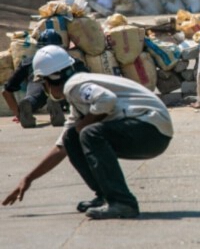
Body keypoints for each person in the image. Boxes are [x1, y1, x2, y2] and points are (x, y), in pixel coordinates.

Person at [2, 46, 173, 219]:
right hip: (152, 131)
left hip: (151, 129)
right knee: (72, 137)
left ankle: (122, 202)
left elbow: (107, 99)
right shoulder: (78, 97)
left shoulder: (74, 86)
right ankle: (105, 196)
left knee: (89, 133)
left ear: (50, 80)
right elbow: (62, 147)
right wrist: (29, 178)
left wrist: (82, 125)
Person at [2, 30, 86, 128]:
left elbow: (6, 91)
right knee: (68, 92)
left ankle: (29, 102)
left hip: (37, 84)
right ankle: (57, 102)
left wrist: (18, 114)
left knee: (34, 98)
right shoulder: (70, 60)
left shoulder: (29, 62)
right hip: (61, 88)